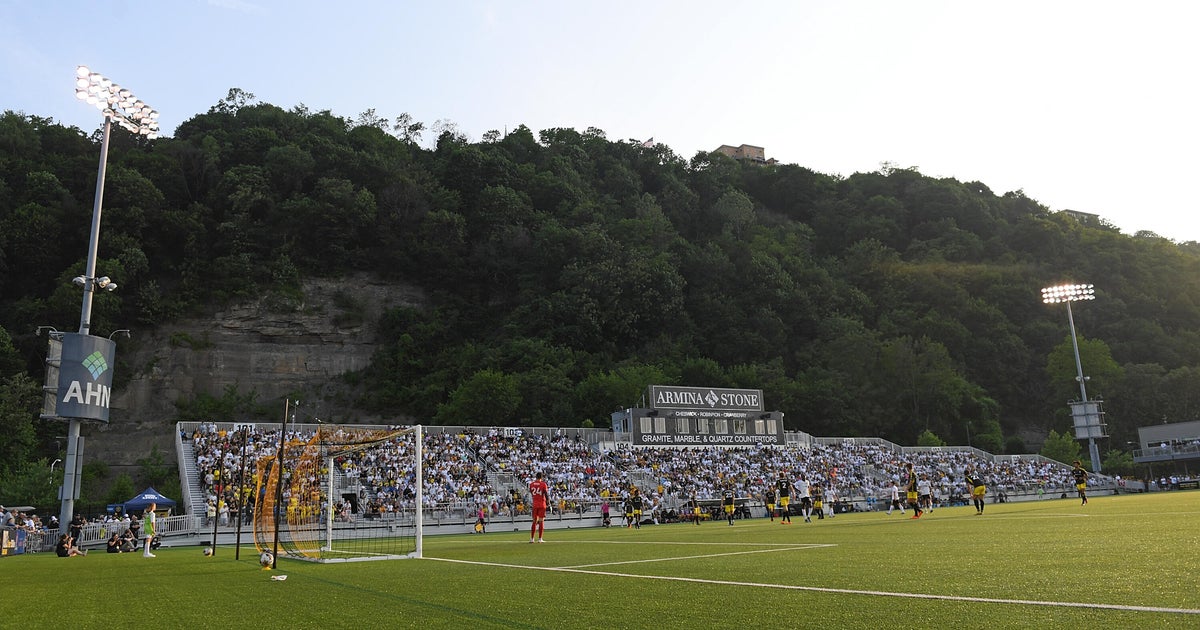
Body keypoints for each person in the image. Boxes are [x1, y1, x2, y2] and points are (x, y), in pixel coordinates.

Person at [529, 472, 549, 543]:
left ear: (536, 477)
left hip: (535, 504)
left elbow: (531, 492)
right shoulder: (543, 484)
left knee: (534, 521)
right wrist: (548, 503)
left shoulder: (531, 484)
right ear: (541, 477)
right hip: (542, 504)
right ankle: (540, 539)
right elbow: (546, 494)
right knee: (541, 521)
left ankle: (532, 539)